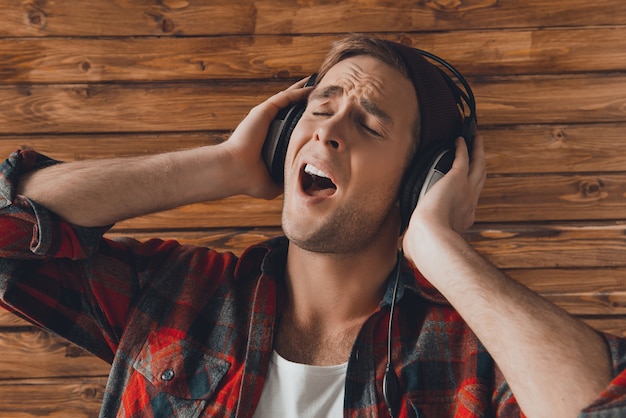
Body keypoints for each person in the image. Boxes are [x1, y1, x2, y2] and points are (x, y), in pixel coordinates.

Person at [0, 33, 625, 418]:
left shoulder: (473, 358)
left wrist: (439, 246)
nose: (327, 128)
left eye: (369, 125)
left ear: (421, 180)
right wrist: (222, 165)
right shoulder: (177, 292)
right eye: (320, 108)